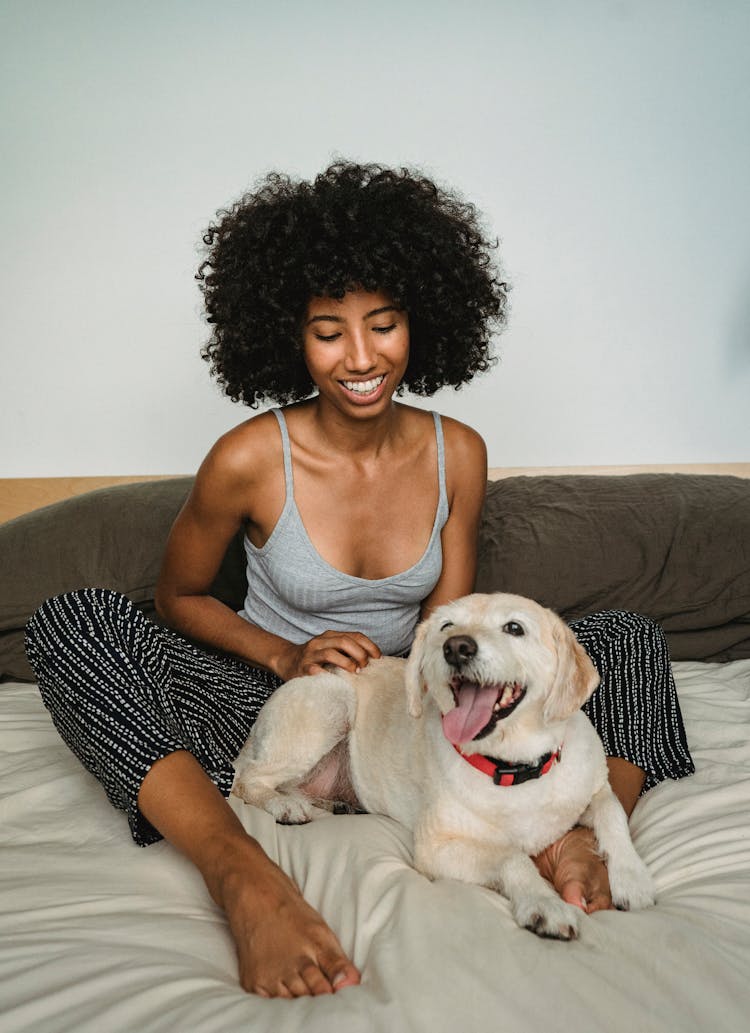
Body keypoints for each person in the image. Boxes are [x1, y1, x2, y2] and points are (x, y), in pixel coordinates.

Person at [25, 161, 694, 999]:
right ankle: (242, 874)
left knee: (627, 637)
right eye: (327, 330)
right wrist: (283, 655)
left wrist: (416, 684)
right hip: (264, 686)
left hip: (408, 697)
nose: (361, 357)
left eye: (384, 324)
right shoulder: (247, 457)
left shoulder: (461, 452)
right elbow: (176, 598)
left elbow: (455, 622)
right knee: (74, 619)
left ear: (421, 322)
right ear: (286, 336)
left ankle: (581, 837)